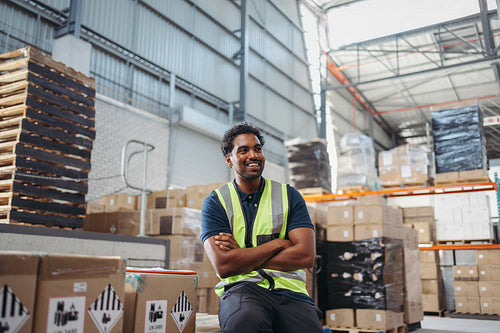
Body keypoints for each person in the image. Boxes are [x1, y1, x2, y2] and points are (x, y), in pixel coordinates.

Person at [200, 122, 323, 333]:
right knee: (244, 323)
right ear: (229, 160)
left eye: (257, 149)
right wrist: (277, 244)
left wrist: (242, 255)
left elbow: (305, 256)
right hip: (242, 290)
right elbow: (224, 266)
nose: (253, 155)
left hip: (290, 291)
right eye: (243, 150)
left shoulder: (289, 196)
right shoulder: (216, 202)